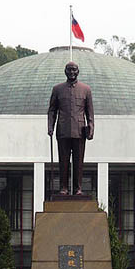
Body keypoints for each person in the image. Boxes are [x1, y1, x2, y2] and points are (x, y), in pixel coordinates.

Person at [48, 61, 94, 195]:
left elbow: (89, 112)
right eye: (69, 70)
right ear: (65, 71)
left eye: (74, 70)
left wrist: (91, 126)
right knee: (63, 161)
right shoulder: (57, 89)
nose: (72, 72)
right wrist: (50, 126)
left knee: (78, 161)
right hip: (63, 130)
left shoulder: (86, 89)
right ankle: (63, 187)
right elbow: (52, 110)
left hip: (80, 131)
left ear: (78, 71)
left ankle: (78, 188)